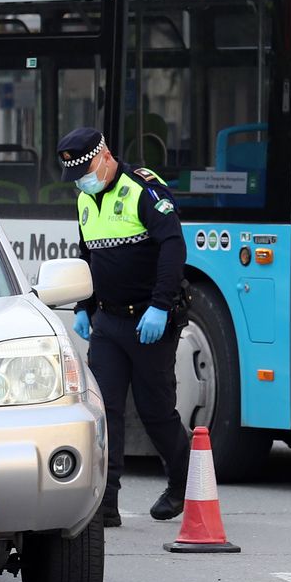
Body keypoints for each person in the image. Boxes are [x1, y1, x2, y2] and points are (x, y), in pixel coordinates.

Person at [56, 126, 190, 528]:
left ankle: (185, 486)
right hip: (109, 322)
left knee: (155, 411)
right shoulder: (84, 199)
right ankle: (106, 503)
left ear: (104, 157)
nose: (81, 181)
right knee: (105, 410)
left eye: (84, 171)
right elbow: (88, 255)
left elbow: (173, 245)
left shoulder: (142, 190)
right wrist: (84, 304)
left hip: (149, 321)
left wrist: (161, 306)